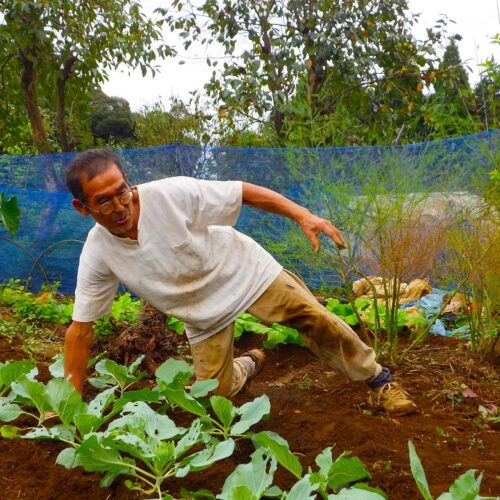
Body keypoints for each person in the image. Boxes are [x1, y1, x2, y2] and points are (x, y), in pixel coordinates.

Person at [64, 148, 417, 415]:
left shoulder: (169, 194)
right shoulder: (98, 252)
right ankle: (248, 364)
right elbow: (80, 331)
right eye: (104, 202)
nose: (120, 206)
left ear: (130, 183)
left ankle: (379, 380)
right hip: (202, 314)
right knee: (214, 399)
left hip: (243, 272)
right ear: (83, 208)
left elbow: (241, 192)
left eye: (122, 191)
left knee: (314, 317)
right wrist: (68, 404)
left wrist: (302, 214)